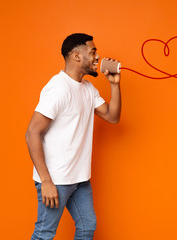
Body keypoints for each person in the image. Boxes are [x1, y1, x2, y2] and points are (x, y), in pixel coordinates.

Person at [25, 33, 122, 240]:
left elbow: (113, 117)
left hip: (80, 178)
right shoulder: (58, 88)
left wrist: (114, 84)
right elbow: (32, 132)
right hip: (56, 179)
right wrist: (46, 181)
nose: (97, 57)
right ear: (77, 56)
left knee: (87, 227)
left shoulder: (88, 89)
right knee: (44, 234)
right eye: (93, 52)